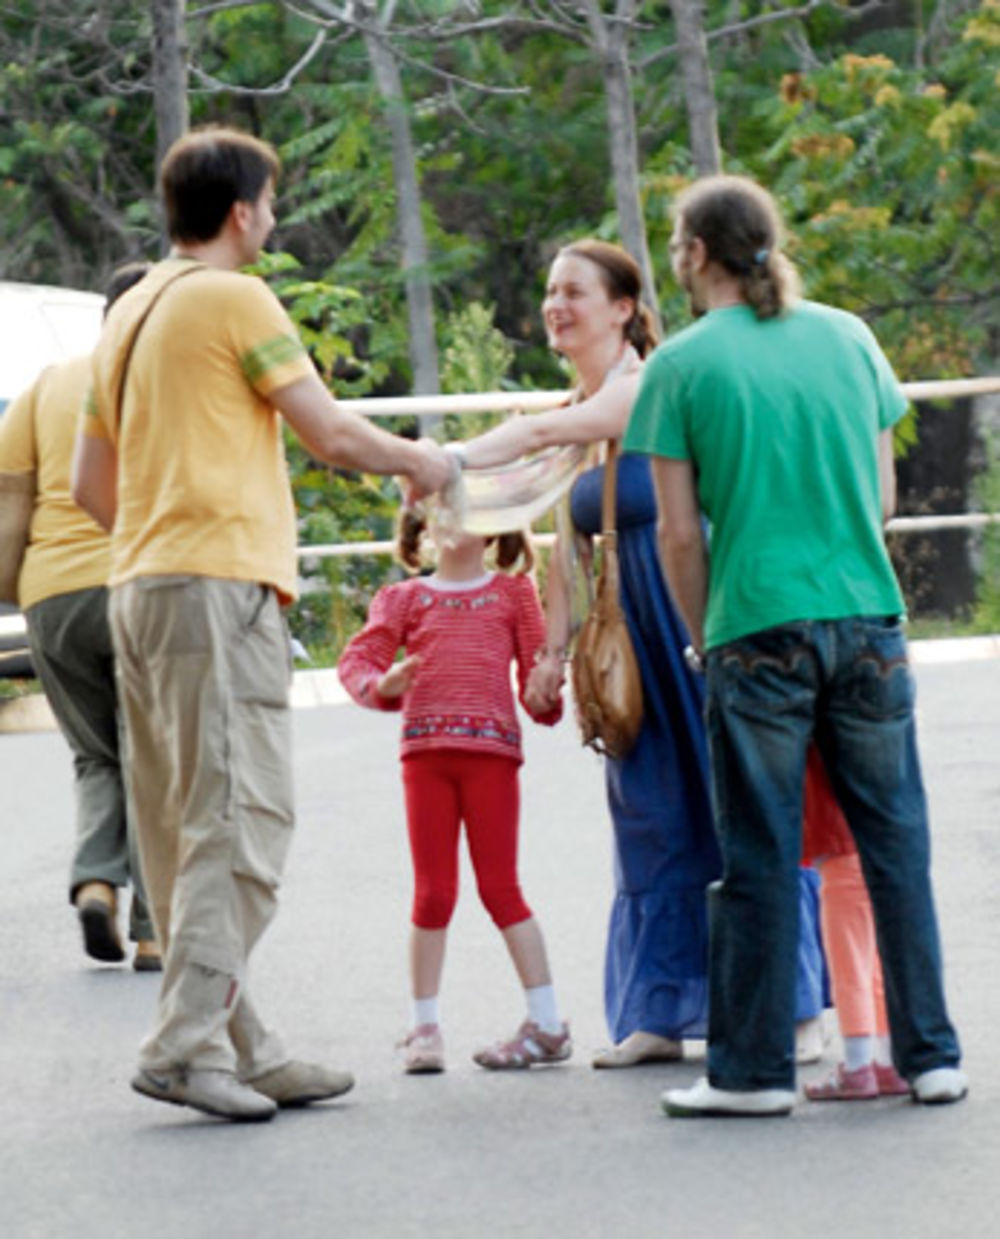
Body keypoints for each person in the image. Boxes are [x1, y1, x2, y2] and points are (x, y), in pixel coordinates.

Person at [72, 126, 452, 1123]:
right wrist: (422, 463)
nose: (273, 220)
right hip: (212, 588)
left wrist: (161, 542)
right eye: (271, 204)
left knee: (181, 825)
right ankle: (185, 1045)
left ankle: (245, 1042)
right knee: (245, 820)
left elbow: (87, 484)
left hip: (140, 587)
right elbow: (326, 433)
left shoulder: (131, 311)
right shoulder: (233, 296)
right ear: (242, 211)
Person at [623, 173, 965, 1117]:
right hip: (866, 615)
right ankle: (931, 1056)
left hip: (753, 626)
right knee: (896, 846)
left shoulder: (680, 367)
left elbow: (679, 535)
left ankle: (753, 1072)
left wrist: (703, 640)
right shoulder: (849, 337)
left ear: (693, 254)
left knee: (760, 855)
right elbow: (883, 498)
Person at [451, 239, 826, 1068]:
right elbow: (564, 548)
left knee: (738, 807)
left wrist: (445, 459)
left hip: (696, 616)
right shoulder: (577, 410)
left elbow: (551, 434)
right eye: (550, 290)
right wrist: (549, 653)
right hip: (629, 638)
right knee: (652, 818)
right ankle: (660, 1009)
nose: (556, 305)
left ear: (623, 308)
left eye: (574, 291)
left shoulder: (649, 384)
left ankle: (794, 1007)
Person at [338, 510, 569, 1073]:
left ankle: (548, 1021)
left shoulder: (514, 594)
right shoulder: (403, 598)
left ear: (493, 527)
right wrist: (383, 685)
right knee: (433, 894)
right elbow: (357, 662)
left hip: (492, 761)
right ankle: (424, 1028)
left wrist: (546, 689)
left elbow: (539, 693)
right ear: (422, 526)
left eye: (466, 509)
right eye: (441, 508)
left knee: (501, 889)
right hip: (425, 759)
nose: (450, 519)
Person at [0, 262, 159, 970]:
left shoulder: (46, 385)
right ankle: (156, 931)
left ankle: (98, 881)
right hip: (142, 588)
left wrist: (19, 594)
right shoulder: (167, 386)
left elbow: (10, 505)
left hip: (53, 595)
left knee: (97, 754)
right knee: (157, 760)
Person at [802, 751, 909, 1101]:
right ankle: (885, 1059)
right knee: (874, 962)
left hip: (838, 849)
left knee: (848, 964)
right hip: (874, 842)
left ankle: (858, 1064)